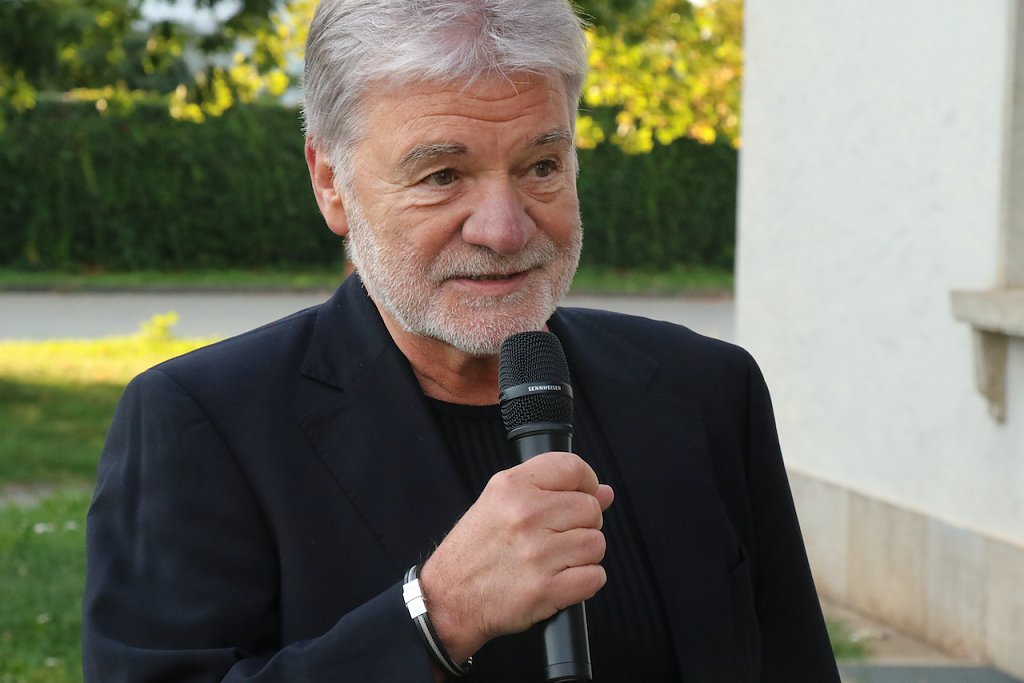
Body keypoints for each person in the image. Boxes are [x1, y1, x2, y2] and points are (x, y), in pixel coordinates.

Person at [82, 1, 840, 681]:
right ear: (330, 183)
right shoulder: (202, 423)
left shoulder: (705, 389)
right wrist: (436, 615)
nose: (504, 229)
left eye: (541, 165)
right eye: (442, 175)